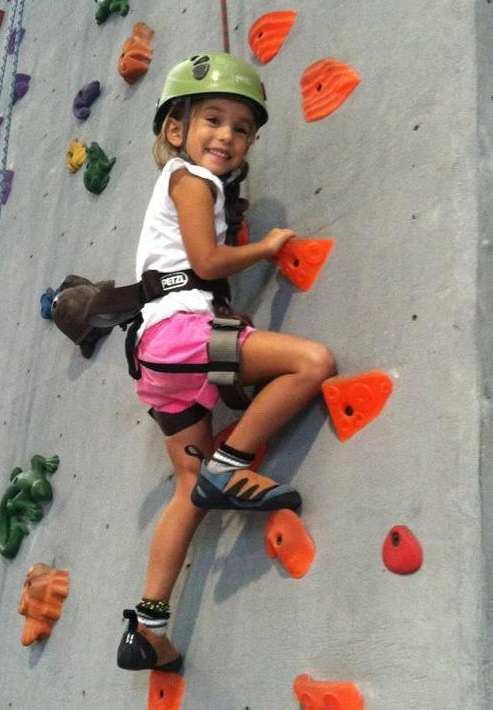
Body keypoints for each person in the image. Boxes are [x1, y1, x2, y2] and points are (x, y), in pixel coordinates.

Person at [116, 53, 336, 673]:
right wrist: (265, 248)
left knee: (188, 489)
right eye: (213, 118)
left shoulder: (190, 187)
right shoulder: (193, 181)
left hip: (158, 359)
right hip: (183, 337)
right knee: (311, 364)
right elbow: (207, 264)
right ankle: (231, 464)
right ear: (175, 130)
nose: (229, 136)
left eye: (243, 129)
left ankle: (148, 627)